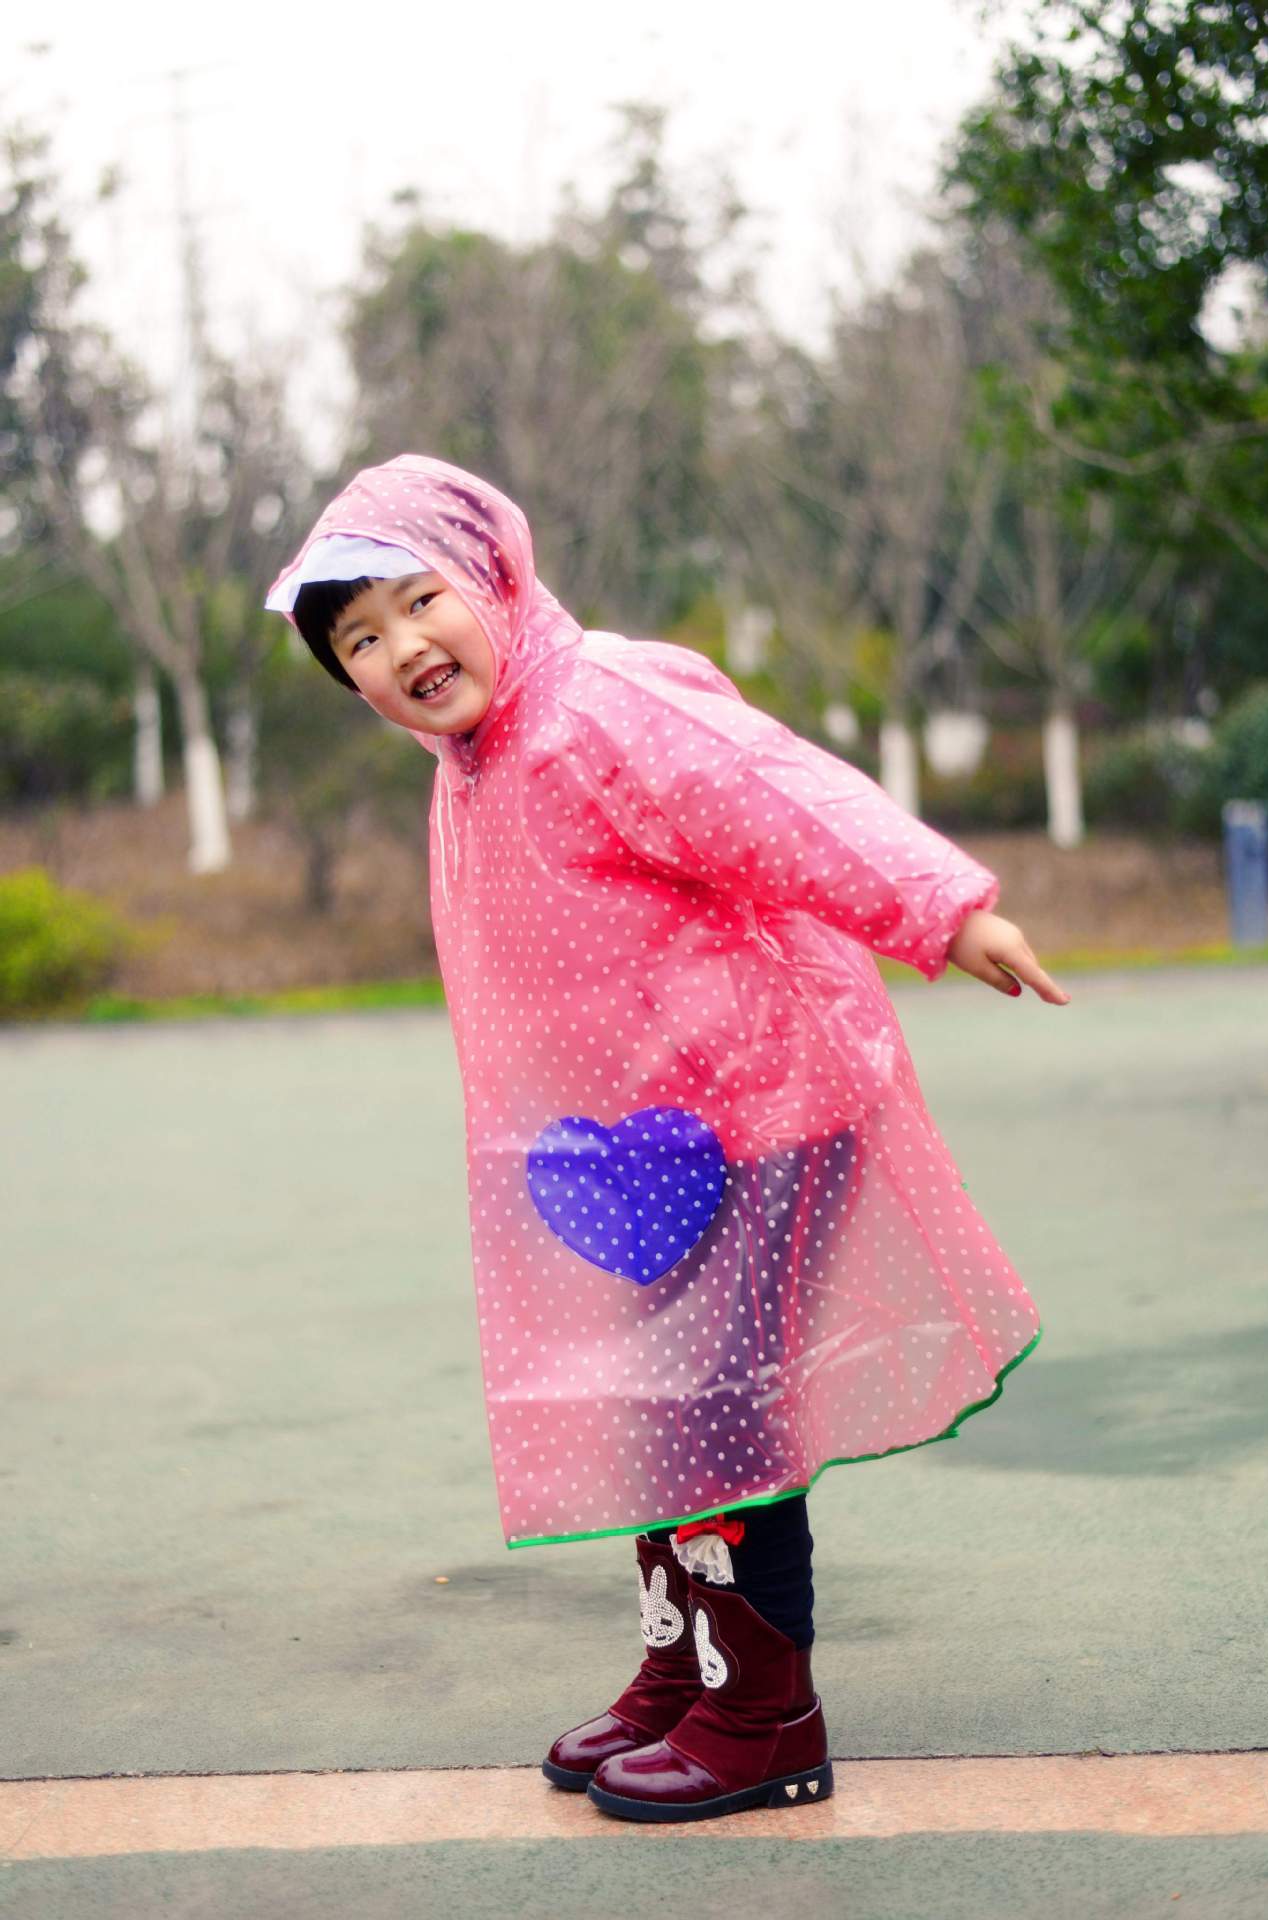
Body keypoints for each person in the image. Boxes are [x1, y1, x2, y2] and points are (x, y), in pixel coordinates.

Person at [265, 452, 1069, 1825]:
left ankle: (765, 1714)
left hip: (754, 1106)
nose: (401, 647)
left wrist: (941, 909)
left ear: (495, 581)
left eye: (419, 601)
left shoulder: (598, 706)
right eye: (360, 640)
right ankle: (689, 1669)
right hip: (625, 1150)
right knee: (653, 1405)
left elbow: (784, 796)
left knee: (716, 1406)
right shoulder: (473, 758)